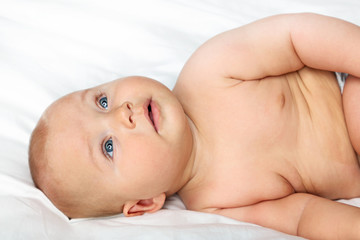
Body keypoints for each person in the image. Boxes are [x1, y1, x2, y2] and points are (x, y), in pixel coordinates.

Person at [29, 13, 360, 239]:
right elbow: (302, 216)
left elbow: (294, 37)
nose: (122, 113)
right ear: (145, 203)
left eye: (102, 101)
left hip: (348, 83)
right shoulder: (216, 204)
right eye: (108, 147)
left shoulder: (208, 72)